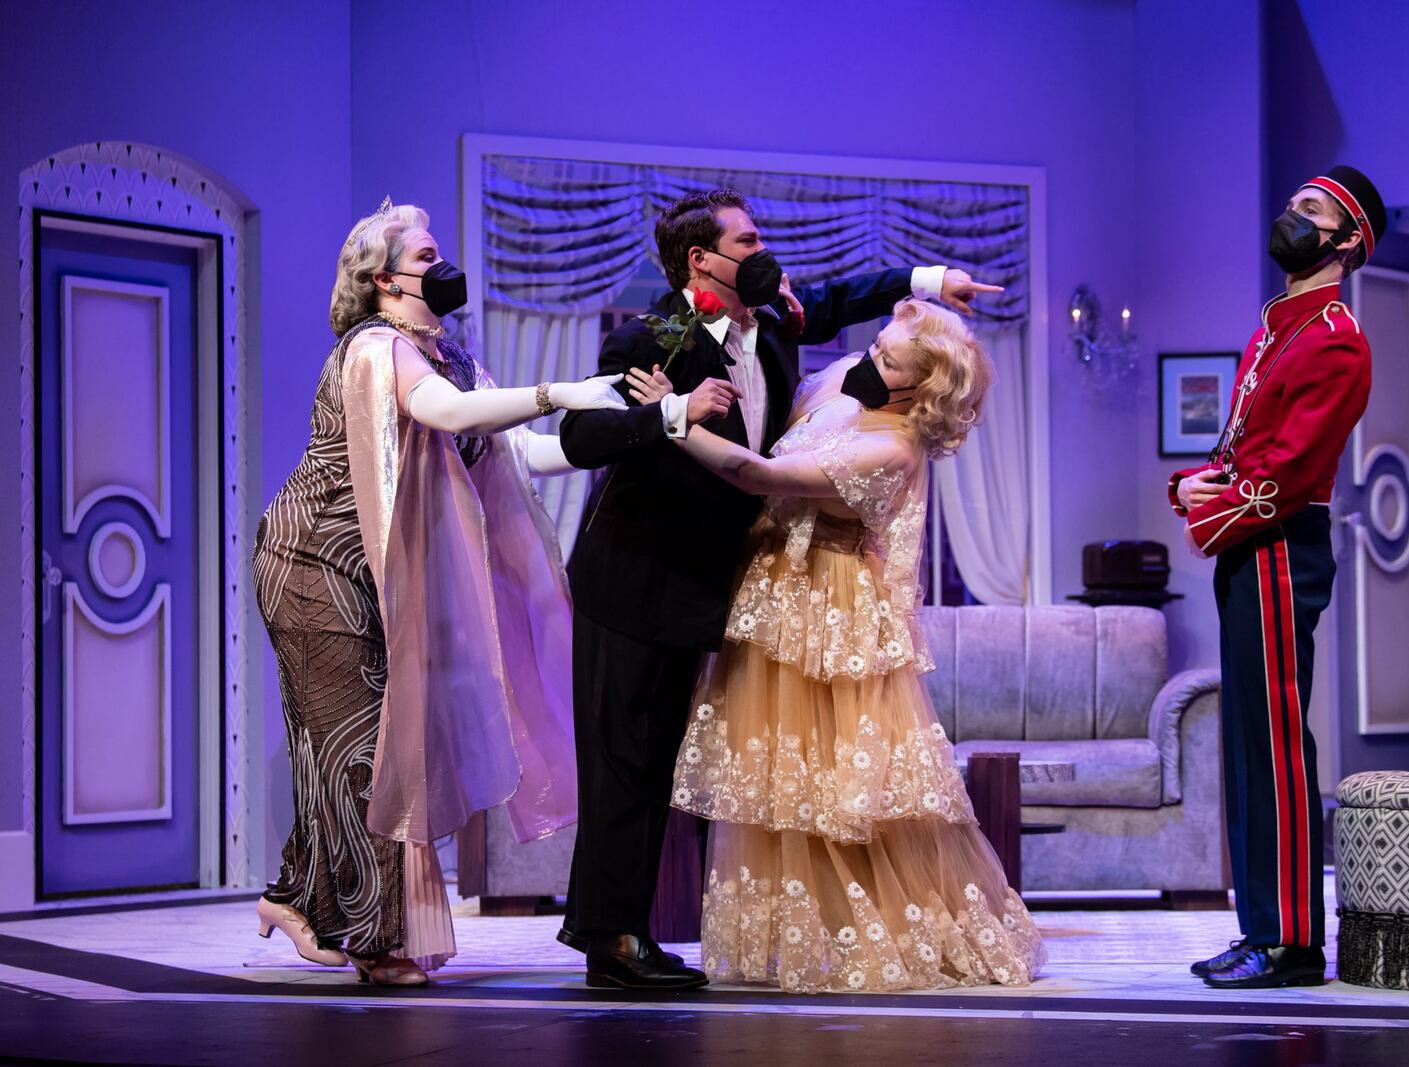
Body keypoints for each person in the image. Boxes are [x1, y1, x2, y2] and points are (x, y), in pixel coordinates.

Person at [555, 187, 1003, 990]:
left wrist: (932, 281)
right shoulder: (660, 331)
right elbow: (583, 434)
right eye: (750, 238)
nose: (767, 251)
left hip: (703, 581)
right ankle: (610, 936)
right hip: (635, 571)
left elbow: (836, 300)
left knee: (655, 758)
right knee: (623, 757)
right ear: (702, 260)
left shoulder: (769, 326)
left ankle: (622, 928)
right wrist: (671, 415)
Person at [252, 199, 635, 986]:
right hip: (313, 563)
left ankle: (291, 895)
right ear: (382, 279)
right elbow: (446, 415)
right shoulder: (373, 348)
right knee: (366, 747)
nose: (443, 267)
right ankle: (377, 939)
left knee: (365, 744)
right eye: (427, 257)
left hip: (377, 570)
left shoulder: (452, 355)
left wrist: (637, 422)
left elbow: (516, 450)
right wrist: (560, 388)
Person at [633, 297, 1044, 992]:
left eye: (889, 361)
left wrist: (672, 416)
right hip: (776, 592)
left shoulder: (893, 447)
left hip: (830, 604)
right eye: (878, 346)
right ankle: (795, 936)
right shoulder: (843, 383)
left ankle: (874, 931)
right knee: (778, 783)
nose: (869, 362)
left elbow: (756, 474)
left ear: (919, 388)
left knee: (840, 784)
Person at [1170, 165, 1386, 989]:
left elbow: (1285, 474)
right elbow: (1240, 449)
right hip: (1247, 541)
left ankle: (1293, 940)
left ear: (1345, 241)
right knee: (1247, 743)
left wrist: (1206, 512)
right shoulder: (1277, 328)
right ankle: (1261, 925)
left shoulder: (1336, 338)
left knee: (1276, 745)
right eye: (1292, 203)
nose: (1289, 217)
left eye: (1310, 210)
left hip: (1279, 544)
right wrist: (1190, 484)